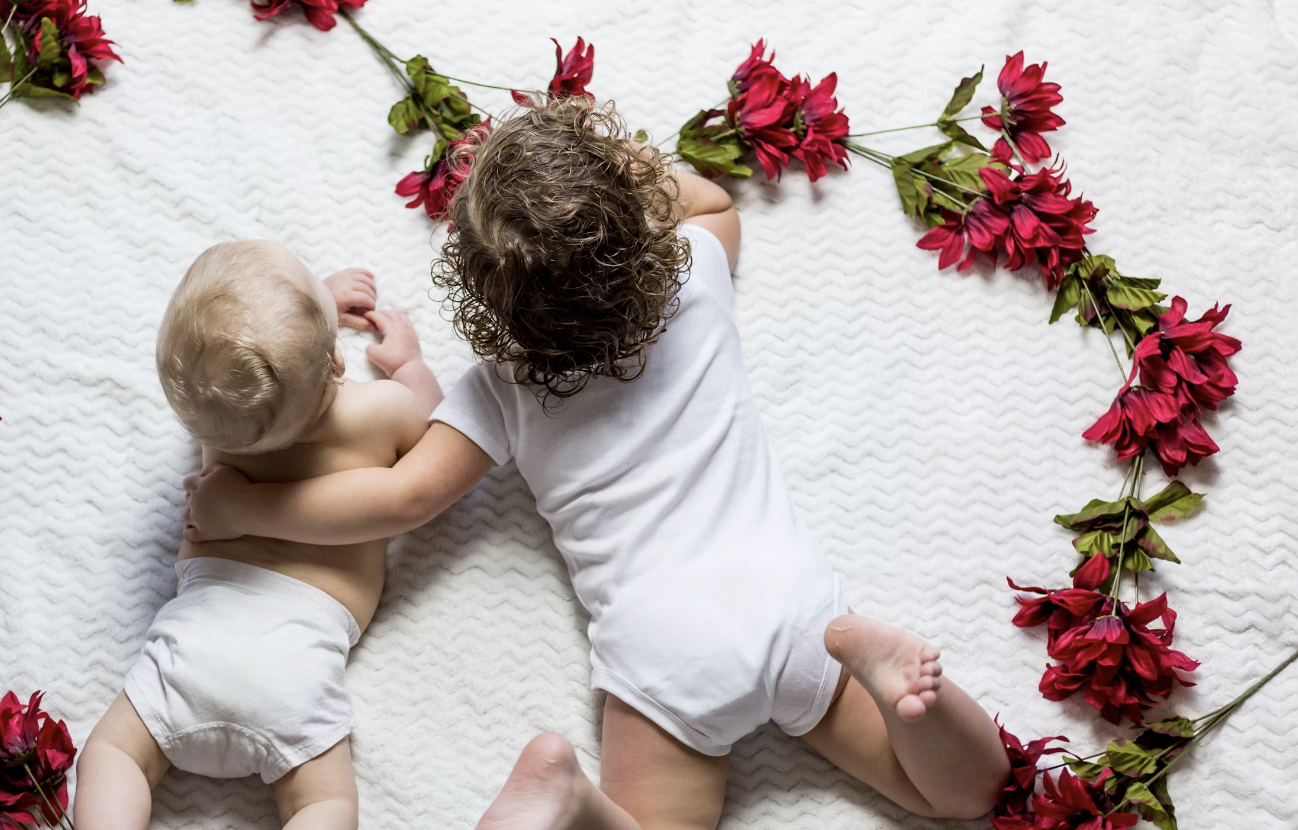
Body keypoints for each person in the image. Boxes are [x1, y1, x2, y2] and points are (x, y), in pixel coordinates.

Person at [183, 99, 1011, 829]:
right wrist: (617, 170)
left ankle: (573, 804)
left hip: (668, 648)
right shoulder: (695, 279)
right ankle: (895, 677)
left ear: (481, 292)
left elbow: (402, 496)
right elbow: (715, 201)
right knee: (965, 792)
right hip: (797, 613)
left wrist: (250, 510)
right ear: (643, 221)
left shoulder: (502, 387)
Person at [74, 240, 442, 830]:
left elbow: (255, 367)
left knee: (113, 756)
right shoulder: (382, 413)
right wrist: (409, 364)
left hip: (193, 646)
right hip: (297, 665)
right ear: (336, 360)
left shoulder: (223, 424)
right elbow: (433, 426)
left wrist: (313, 304)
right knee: (322, 804)